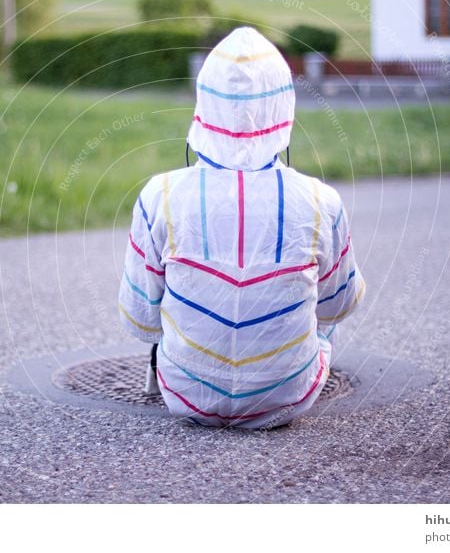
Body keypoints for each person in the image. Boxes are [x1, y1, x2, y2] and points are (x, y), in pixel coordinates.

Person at [118, 27, 365, 429]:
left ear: (203, 108)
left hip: (185, 398)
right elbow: (338, 306)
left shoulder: (158, 194)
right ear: (284, 108)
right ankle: (282, 365)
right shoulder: (322, 202)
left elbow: (140, 320)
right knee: (329, 287)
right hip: (290, 398)